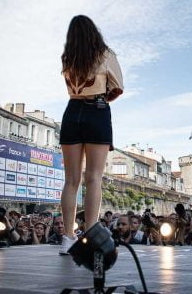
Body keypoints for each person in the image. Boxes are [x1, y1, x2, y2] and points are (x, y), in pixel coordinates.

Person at [59, 15, 124, 255]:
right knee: (94, 177)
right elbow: (118, 87)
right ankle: (92, 234)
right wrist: (103, 97)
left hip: (72, 110)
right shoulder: (106, 55)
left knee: (71, 180)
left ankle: (67, 236)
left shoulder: (68, 58)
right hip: (97, 110)